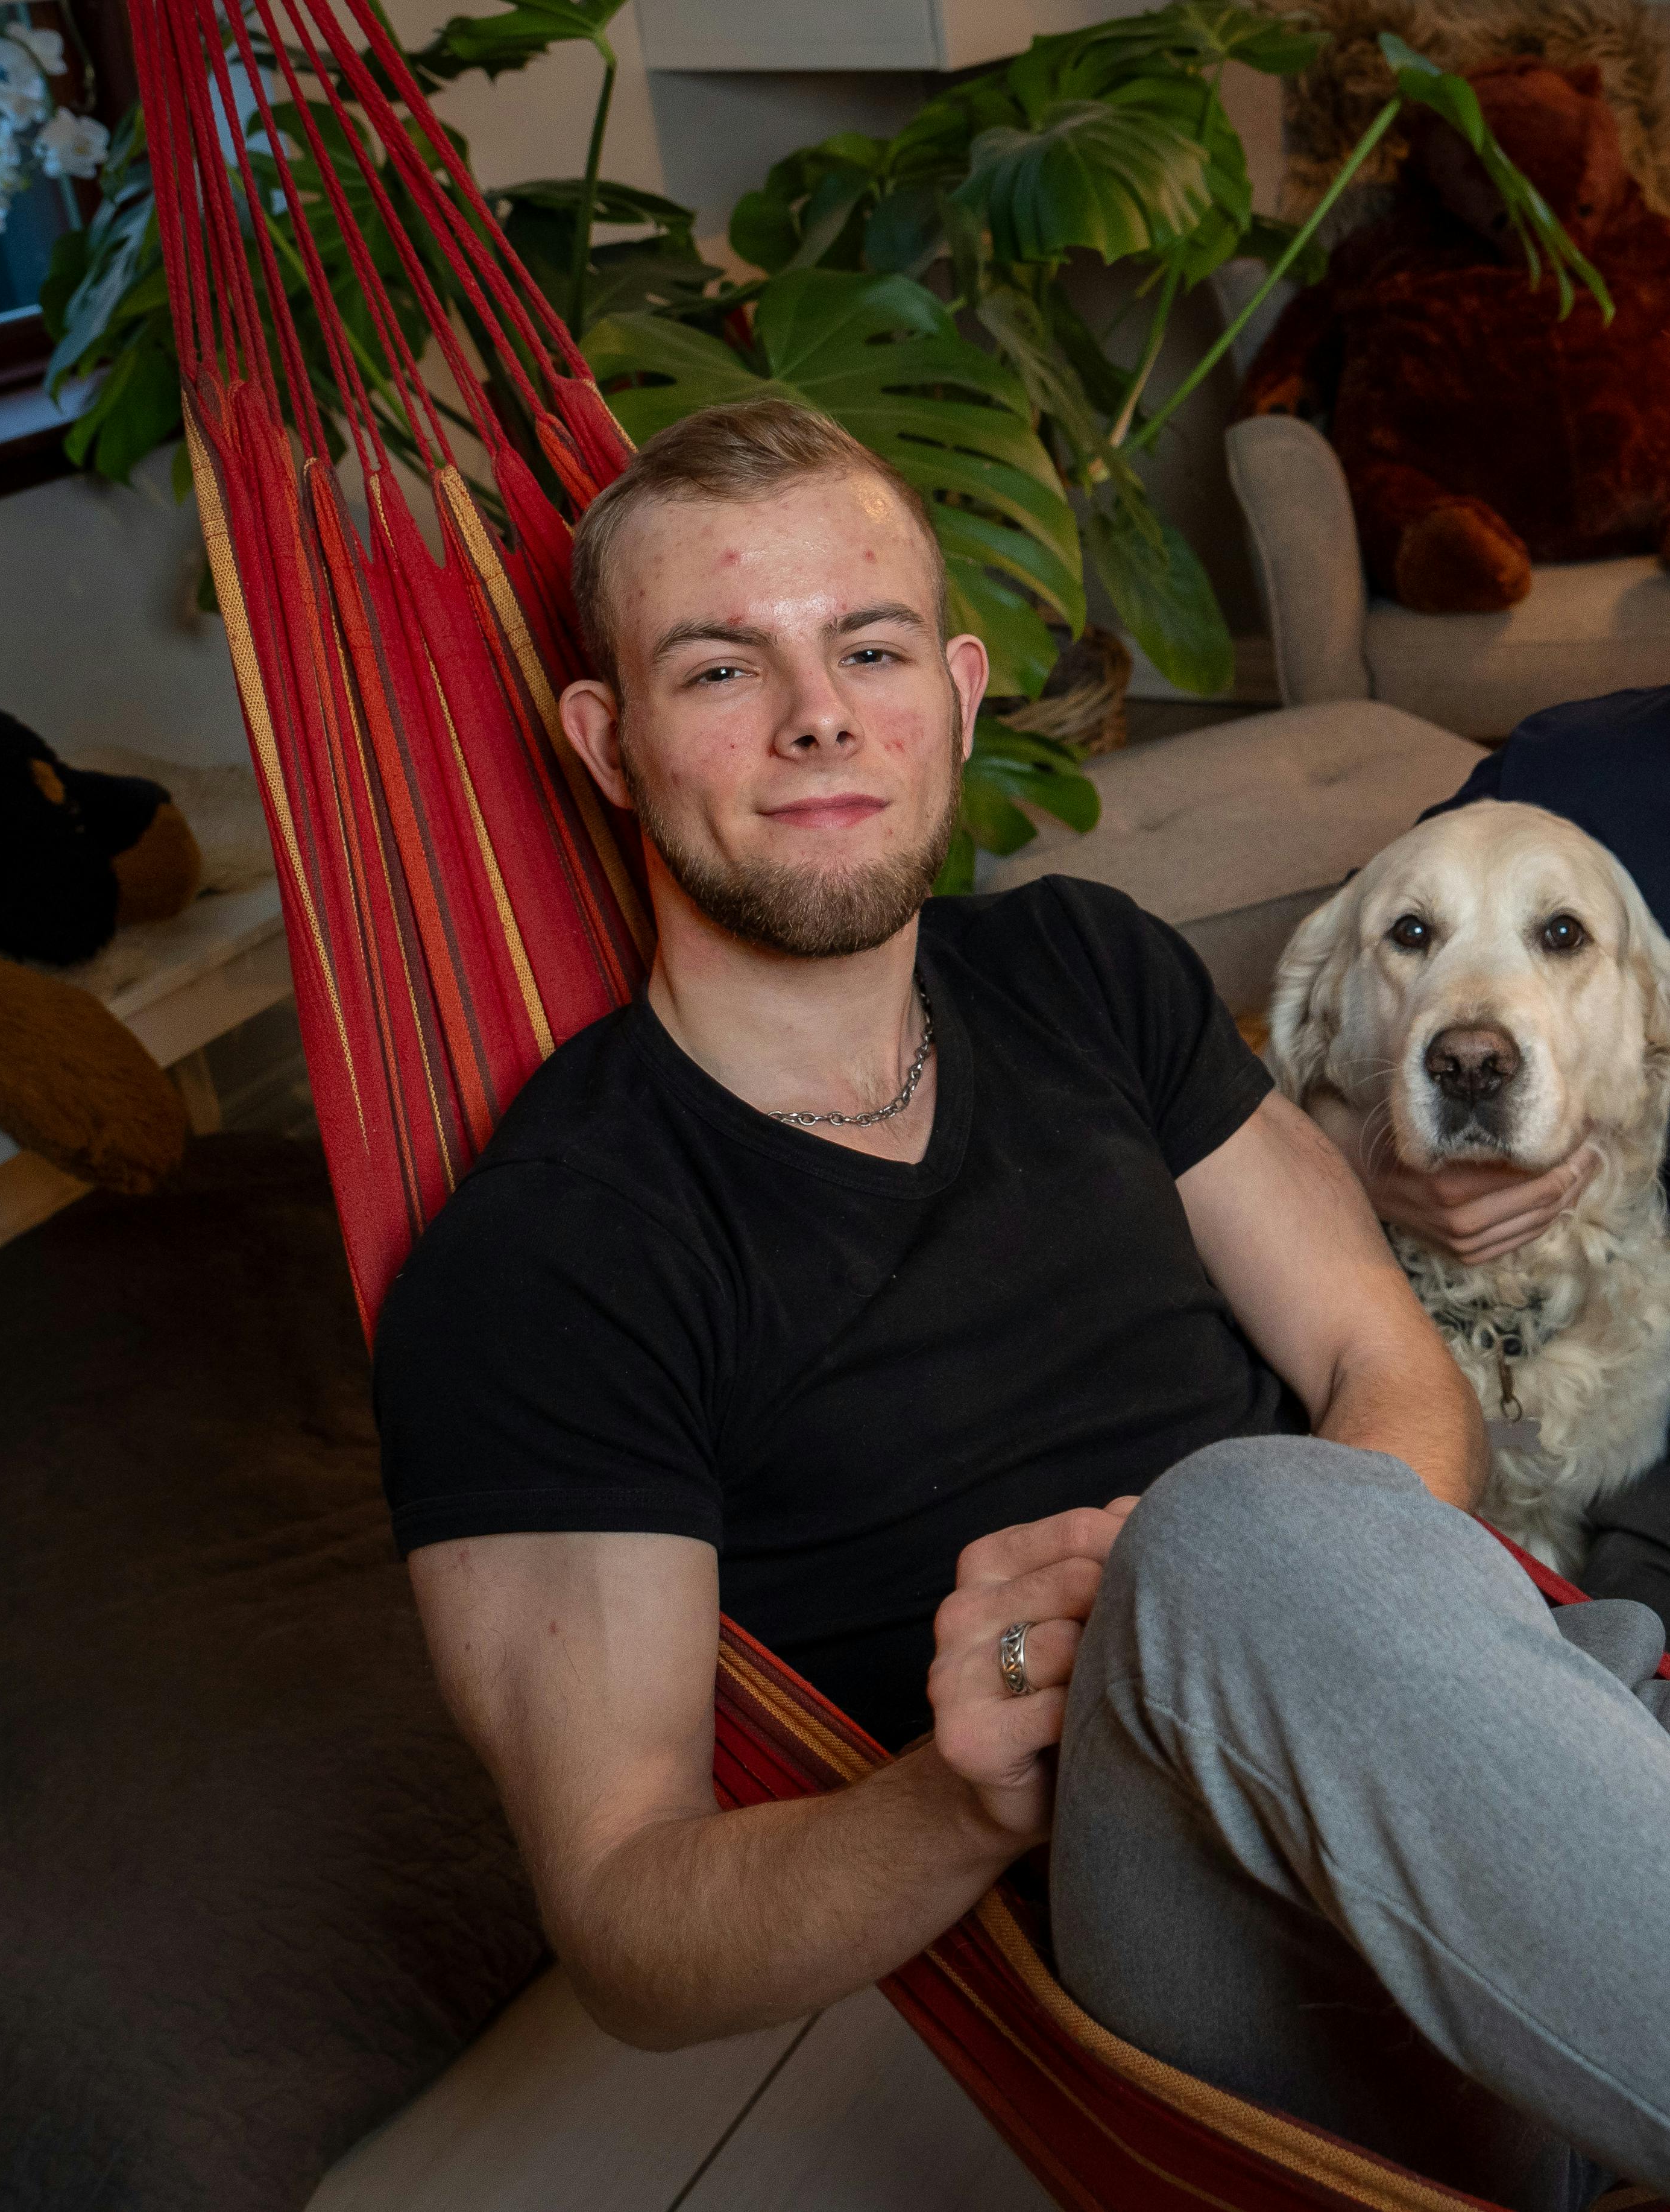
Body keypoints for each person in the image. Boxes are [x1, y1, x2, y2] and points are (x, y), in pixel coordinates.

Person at [373, 398, 1670, 2208]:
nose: (818, 711)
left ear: (959, 696)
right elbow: (623, 1920)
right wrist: (961, 1783)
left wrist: (1331, 1623)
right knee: (1224, 1531)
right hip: (1172, 1910)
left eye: (870, 645)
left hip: (1520, 1718)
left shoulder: (1087, 968)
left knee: (1275, 1529)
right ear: (606, 740)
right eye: (720, 668)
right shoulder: (547, 1258)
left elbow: (1386, 1364)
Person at [1313, 684, 1670, 1624]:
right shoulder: (1570, 762)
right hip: (1435, 1317)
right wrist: (1344, 1146)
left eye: (1560, 936)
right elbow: (1366, 946)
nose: (1474, 1048)